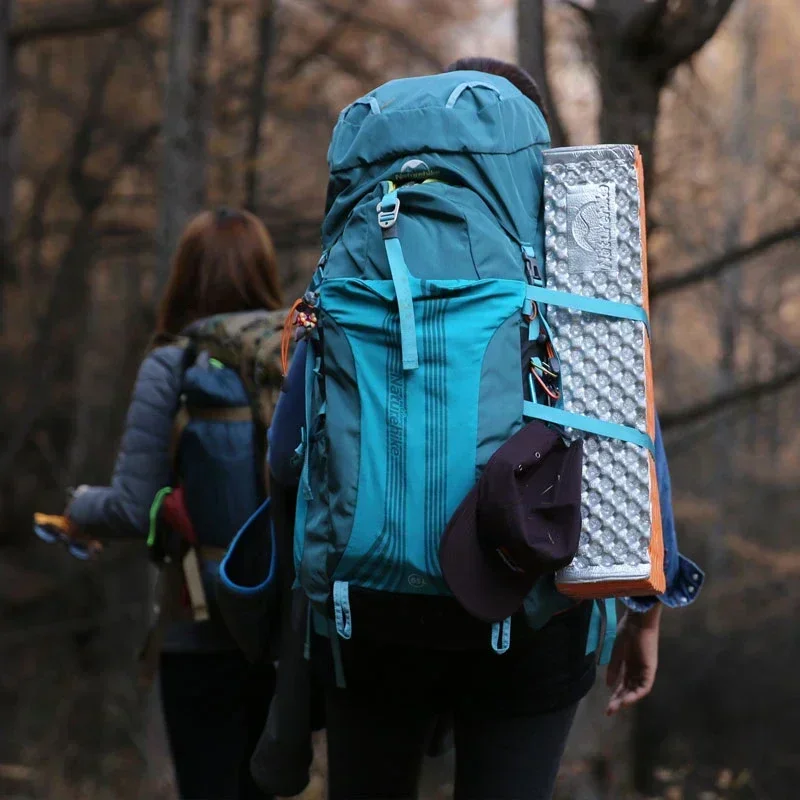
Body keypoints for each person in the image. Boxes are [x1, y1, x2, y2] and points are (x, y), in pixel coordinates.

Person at [268, 58, 704, 800]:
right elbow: (628, 440)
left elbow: (285, 457)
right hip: (527, 608)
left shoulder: (359, 256)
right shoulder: (564, 273)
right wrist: (643, 609)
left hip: (370, 613)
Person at [66, 208, 282, 800]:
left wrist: (80, 507)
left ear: (184, 276)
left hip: (201, 624)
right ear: (263, 270)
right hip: (288, 631)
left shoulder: (173, 364)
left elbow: (134, 508)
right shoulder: (297, 355)